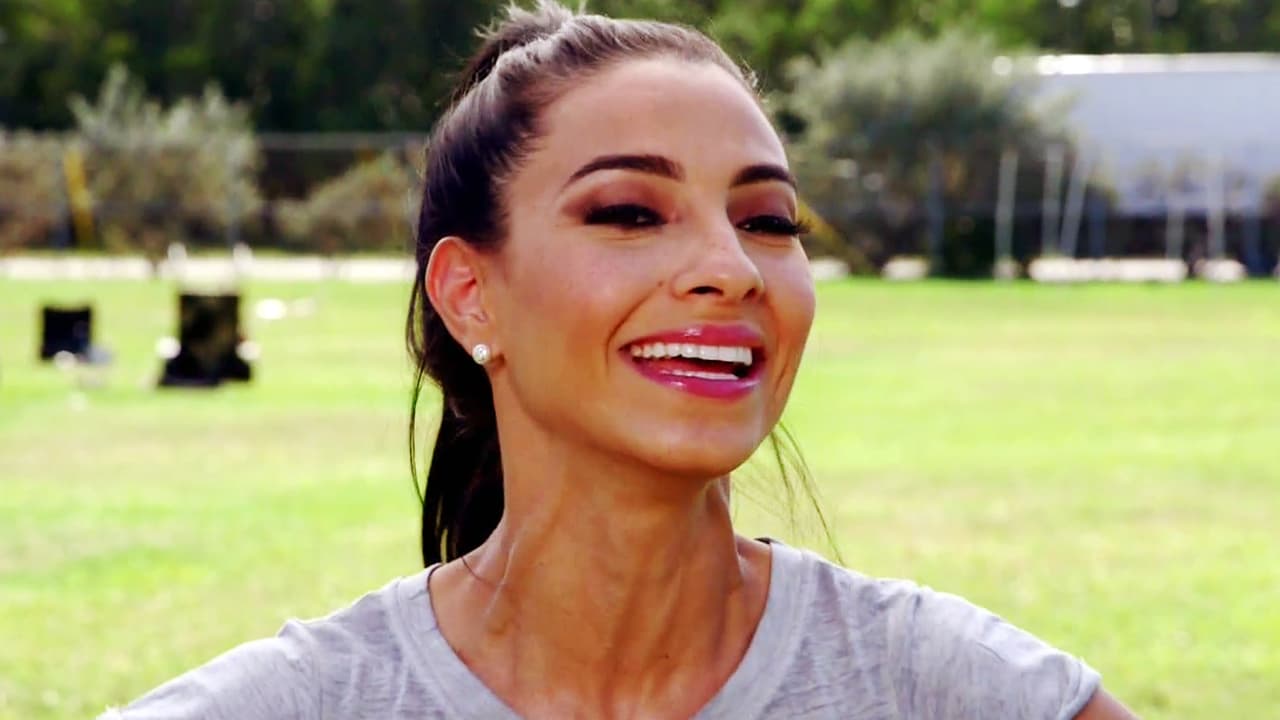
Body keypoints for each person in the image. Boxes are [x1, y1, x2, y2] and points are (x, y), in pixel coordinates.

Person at [102, 2, 1137, 718]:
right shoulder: (309, 701)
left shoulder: (947, 687)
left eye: (768, 220)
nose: (731, 268)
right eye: (631, 212)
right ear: (469, 295)